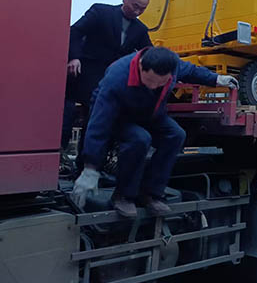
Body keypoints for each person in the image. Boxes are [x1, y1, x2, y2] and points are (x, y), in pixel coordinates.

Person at [71, 46, 238, 218]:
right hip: (117, 117)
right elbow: (99, 124)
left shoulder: (173, 66)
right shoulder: (117, 77)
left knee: (176, 135)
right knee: (140, 139)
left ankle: (150, 194)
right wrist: (90, 168)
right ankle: (123, 196)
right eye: (149, 80)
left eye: (160, 83)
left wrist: (217, 79)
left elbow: (191, 71)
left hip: (148, 113)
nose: (153, 86)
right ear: (140, 66)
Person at [62, 0, 153, 148]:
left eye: (142, 9)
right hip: (84, 73)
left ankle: (87, 158)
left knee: (97, 121)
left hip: (110, 80)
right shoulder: (101, 12)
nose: (137, 11)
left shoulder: (140, 29)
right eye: (135, 6)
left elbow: (150, 53)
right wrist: (74, 57)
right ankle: (60, 151)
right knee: (69, 115)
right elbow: (75, 31)